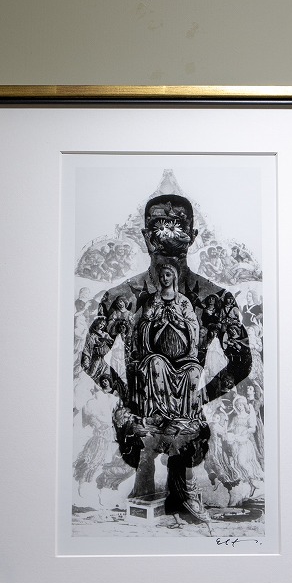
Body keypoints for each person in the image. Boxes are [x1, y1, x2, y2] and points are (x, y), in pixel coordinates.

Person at [81, 193, 252, 524]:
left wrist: (196, 397)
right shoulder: (125, 298)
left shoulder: (212, 298)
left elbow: (242, 361)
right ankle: (151, 482)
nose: (168, 231)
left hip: (177, 408)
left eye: (176, 225)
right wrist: (127, 394)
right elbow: (91, 359)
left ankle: (175, 486)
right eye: (162, 225)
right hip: (152, 413)